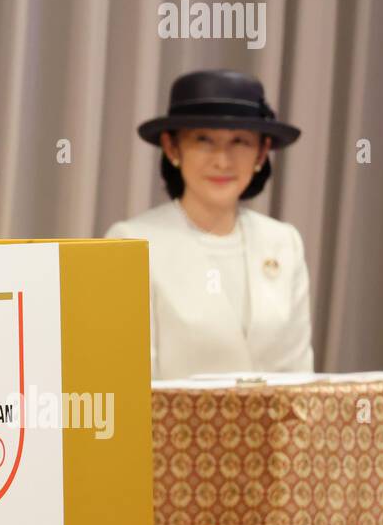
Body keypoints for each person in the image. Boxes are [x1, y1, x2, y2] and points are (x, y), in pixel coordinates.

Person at [105, 69, 313, 379]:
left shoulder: (284, 243)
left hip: (276, 428)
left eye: (240, 141)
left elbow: (299, 377)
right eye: (204, 140)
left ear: (261, 152)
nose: (222, 161)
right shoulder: (130, 243)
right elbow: (127, 382)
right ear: (172, 147)